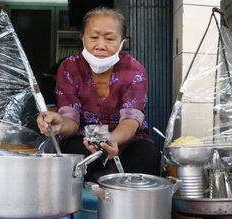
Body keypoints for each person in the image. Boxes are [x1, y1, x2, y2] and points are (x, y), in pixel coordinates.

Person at [37, 7, 160, 182]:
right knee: (70, 157)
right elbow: (70, 119)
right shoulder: (69, 67)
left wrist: (112, 140)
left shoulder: (135, 69)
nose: (100, 46)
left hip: (124, 138)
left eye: (110, 39)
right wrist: (59, 124)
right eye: (93, 37)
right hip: (84, 138)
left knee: (146, 155)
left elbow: (132, 118)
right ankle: (74, 208)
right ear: (82, 38)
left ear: (122, 42)